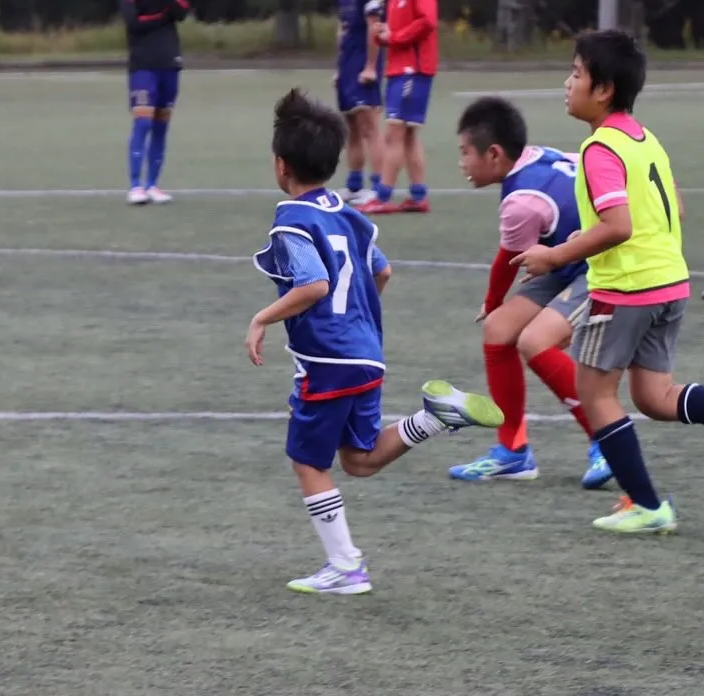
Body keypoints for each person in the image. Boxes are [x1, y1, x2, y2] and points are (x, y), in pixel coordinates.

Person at [512, 30, 704, 534]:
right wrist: (587, 235)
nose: (567, 83)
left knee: (595, 393)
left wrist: (554, 255)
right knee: (655, 397)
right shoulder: (642, 137)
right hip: (668, 282)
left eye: (575, 73)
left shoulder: (598, 149)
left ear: (604, 89)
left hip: (626, 288)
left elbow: (619, 226)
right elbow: (669, 208)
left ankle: (646, 505)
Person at [248, 88, 505, 593]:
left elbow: (314, 284)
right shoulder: (351, 215)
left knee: (307, 461)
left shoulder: (293, 219)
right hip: (366, 355)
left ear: (281, 166)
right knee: (358, 460)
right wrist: (356, 322)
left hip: (327, 360)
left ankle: (345, 566)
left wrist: (262, 318)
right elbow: (382, 273)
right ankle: (434, 418)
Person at [447, 96, 611, 489]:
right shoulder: (538, 155)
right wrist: (495, 311)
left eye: (465, 152)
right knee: (499, 331)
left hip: (599, 267)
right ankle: (513, 451)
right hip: (566, 259)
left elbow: (508, 260)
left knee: (535, 343)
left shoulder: (522, 202)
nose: (461, 163)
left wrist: (492, 301)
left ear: (494, 154)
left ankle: (607, 441)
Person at [357, 0, 437, 215]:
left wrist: (394, 36)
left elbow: (427, 21)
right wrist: (382, 33)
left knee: (395, 134)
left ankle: (382, 196)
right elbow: (398, 31)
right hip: (399, 70)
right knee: (408, 135)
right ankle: (418, 196)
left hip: (412, 71)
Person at [122, 0, 189, 205]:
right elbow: (134, 23)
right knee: (143, 123)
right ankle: (136, 186)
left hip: (169, 63)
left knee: (161, 126)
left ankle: (152, 185)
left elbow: (181, 12)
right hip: (143, 65)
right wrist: (163, 15)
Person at [334, 0, 386, 207]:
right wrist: (339, 69)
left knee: (369, 127)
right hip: (347, 65)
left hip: (363, 63)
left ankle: (378, 187)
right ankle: (354, 185)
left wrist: (371, 66)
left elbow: (375, 27)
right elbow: (342, 30)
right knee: (351, 127)